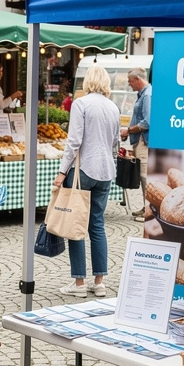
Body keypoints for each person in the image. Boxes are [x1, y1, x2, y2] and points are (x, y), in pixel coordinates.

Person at [54, 62, 120, 299]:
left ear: (88, 81)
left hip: (84, 170)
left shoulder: (81, 104)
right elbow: (116, 143)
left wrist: (62, 172)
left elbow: (74, 141)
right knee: (97, 225)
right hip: (105, 171)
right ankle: (99, 282)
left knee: (75, 225)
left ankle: (79, 283)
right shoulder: (113, 107)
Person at [120, 67, 150, 221]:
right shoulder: (143, 94)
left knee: (145, 176)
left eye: (130, 81)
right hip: (140, 140)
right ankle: (146, 207)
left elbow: (147, 122)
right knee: (142, 175)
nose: (129, 84)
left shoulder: (147, 95)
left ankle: (149, 211)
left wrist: (129, 130)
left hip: (144, 141)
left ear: (138, 79)